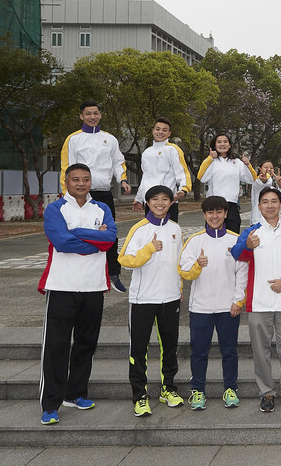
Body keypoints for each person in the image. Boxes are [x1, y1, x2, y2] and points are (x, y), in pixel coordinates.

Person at [38, 163, 118, 425]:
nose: (81, 184)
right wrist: (95, 239)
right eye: (76, 179)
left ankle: (76, 393)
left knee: (86, 343)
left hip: (94, 287)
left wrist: (81, 235)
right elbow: (61, 242)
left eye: (85, 179)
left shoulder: (102, 208)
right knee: (56, 346)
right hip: (63, 286)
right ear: (66, 181)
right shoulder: (55, 209)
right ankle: (50, 403)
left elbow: (110, 240)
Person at [232, 187, 281, 413]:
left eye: (274, 201)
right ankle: (266, 393)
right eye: (265, 202)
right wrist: (247, 246)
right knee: (261, 351)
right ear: (259, 206)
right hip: (259, 303)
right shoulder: (252, 232)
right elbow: (237, 254)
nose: (270, 205)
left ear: (280, 204)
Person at [117, 185, 184, 416]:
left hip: (170, 298)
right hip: (143, 299)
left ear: (171, 203)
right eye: (155, 199)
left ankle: (168, 389)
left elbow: (179, 263)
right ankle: (140, 396)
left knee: (170, 348)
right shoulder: (139, 229)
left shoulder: (176, 229)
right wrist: (149, 249)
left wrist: (179, 287)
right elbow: (124, 259)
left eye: (165, 199)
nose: (160, 203)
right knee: (139, 350)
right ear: (147, 202)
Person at [178, 196, 248, 410]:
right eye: (210, 212)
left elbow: (242, 273)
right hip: (201, 307)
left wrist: (238, 300)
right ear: (204, 215)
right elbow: (184, 270)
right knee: (199, 351)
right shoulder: (195, 241)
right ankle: (198, 391)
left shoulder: (236, 240)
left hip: (229, 308)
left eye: (219, 212)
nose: (214, 216)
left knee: (230, 351)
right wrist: (197, 264)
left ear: (226, 214)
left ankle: (230, 389)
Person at [60, 101, 131, 292]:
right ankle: (82, 271)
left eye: (96, 113)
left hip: (103, 193)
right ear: (81, 116)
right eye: (88, 113)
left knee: (109, 232)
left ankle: (113, 273)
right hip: (81, 193)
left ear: (100, 115)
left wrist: (122, 180)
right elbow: (66, 167)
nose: (92, 117)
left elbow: (118, 162)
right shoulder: (73, 139)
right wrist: (68, 194)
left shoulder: (110, 139)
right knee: (81, 230)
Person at [133, 117, 191, 223]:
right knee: (151, 235)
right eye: (158, 129)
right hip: (151, 202)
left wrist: (184, 189)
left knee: (169, 235)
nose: (160, 132)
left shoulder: (173, 149)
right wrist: (139, 199)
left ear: (169, 133)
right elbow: (145, 177)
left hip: (168, 202)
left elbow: (182, 172)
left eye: (164, 130)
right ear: (153, 131)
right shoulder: (147, 152)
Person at [196, 133, 257, 233]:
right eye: (219, 142)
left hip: (232, 205)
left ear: (229, 145)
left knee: (233, 235)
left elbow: (251, 179)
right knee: (213, 235)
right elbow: (201, 178)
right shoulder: (211, 161)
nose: (222, 144)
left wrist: (247, 165)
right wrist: (209, 159)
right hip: (214, 204)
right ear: (214, 145)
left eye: (225, 142)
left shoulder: (236, 162)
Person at [250, 160, 281, 226]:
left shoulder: (272, 187)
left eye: (271, 168)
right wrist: (264, 180)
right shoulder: (257, 183)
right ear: (260, 169)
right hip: (258, 222)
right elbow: (263, 184)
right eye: (266, 167)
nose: (269, 169)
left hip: (274, 222)